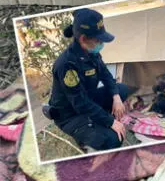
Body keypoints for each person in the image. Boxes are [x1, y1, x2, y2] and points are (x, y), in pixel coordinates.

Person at [45, 8, 128, 151]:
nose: (101, 44)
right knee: (114, 140)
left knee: (122, 90)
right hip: (70, 114)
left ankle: (98, 119)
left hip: (88, 99)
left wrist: (116, 97)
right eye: (98, 40)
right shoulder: (66, 64)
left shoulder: (91, 53)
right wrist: (111, 122)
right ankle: (85, 132)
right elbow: (80, 103)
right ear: (83, 39)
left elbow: (106, 75)